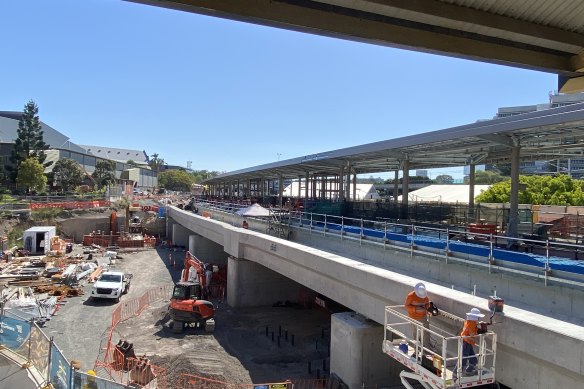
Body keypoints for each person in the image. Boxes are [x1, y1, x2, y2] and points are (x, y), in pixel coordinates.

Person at [405, 282, 431, 351]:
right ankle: (416, 348)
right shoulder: (411, 296)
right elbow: (407, 306)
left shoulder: (424, 296)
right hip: (413, 317)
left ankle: (427, 347)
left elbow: (427, 303)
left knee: (426, 332)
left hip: (423, 317)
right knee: (415, 333)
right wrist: (415, 309)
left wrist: (427, 309)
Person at [460, 307, 485, 376]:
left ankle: (469, 370)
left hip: (467, 341)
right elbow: (471, 334)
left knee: (473, 359)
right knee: (464, 359)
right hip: (466, 342)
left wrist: (477, 328)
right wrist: (479, 332)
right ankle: (457, 373)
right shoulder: (472, 323)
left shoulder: (468, 321)